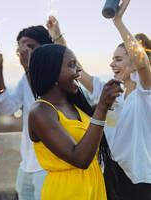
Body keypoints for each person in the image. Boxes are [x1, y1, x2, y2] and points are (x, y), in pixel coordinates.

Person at [78, 0, 151, 199]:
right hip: (110, 175)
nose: (112, 64)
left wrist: (118, 22)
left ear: (133, 62)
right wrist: (56, 36)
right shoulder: (110, 91)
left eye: (118, 59)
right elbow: (79, 72)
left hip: (140, 181)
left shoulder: (145, 92)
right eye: (112, 59)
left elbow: (143, 63)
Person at [28, 43, 123, 199]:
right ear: (52, 73)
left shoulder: (75, 105)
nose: (78, 70)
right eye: (72, 65)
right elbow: (80, 159)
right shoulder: (40, 111)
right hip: (68, 191)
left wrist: (103, 105)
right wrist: (101, 108)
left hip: (93, 186)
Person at [0, 21, 64, 200]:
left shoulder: (59, 77)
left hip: (48, 167)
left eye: (30, 46)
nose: (24, 51)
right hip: (26, 165)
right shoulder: (25, 78)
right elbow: (7, 107)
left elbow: (43, 103)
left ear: (45, 48)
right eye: (20, 47)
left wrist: (28, 68)